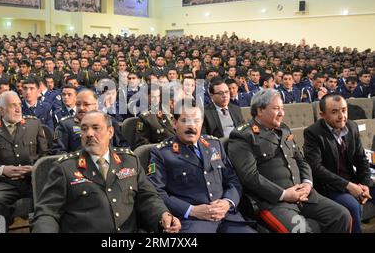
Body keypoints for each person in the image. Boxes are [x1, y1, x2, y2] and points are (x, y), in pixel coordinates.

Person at [32, 110, 181, 233]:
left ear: (110, 132)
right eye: (84, 129)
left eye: (96, 128)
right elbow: (47, 213)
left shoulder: (129, 160)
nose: (89, 134)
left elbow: (147, 197)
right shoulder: (65, 168)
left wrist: (162, 216)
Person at [227, 89, 352, 233]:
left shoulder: (284, 129)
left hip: (305, 195)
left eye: (282, 108)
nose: (282, 113)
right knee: (301, 230)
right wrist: (284, 194)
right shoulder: (243, 135)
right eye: (276, 109)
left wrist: (307, 183)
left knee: (342, 215)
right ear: (260, 110)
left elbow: (302, 161)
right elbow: (249, 176)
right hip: (275, 202)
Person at [148, 100, 255, 233]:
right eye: (185, 120)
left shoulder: (214, 144)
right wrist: (191, 210)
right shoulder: (162, 153)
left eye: (196, 121)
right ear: (174, 123)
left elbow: (232, 180)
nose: (191, 126)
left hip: (227, 217)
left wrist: (227, 203)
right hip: (193, 222)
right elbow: (156, 192)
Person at [0, 91, 48, 233]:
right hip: (3, 183)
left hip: (33, 180)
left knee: (53, 195)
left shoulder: (33, 124)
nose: (19, 109)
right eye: (13, 106)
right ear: (1, 110)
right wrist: (2, 169)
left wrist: (34, 168)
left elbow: (46, 155)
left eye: (19, 104)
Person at [303, 93, 374, 233]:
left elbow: (361, 159)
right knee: (353, 205)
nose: (341, 116)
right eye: (334, 112)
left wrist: (364, 184)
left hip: (353, 181)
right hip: (329, 186)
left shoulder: (352, 126)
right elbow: (317, 168)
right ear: (322, 115)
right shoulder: (313, 133)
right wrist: (348, 186)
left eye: (344, 110)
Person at [51, 89, 128, 154]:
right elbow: (58, 152)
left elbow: (122, 146)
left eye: (86, 104)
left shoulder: (109, 121)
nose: (81, 108)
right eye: (78, 104)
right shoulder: (65, 125)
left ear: (96, 105)